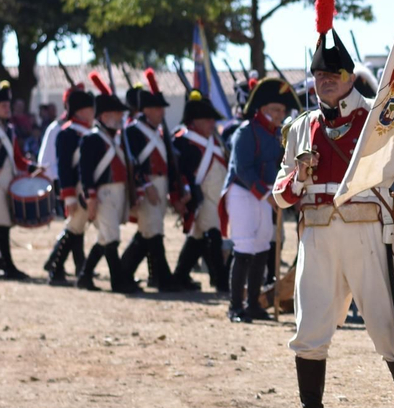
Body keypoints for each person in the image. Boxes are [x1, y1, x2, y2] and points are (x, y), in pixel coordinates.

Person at [272, 0, 394, 408]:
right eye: (319, 75)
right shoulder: (301, 128)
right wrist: (298, 178)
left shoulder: (377, 119)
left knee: (387, 326)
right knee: (309, 327)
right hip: (317, 235)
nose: (325, 81)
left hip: (369, 231)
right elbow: (280, 193)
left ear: (350, 77)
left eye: (334, 74)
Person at [225, 77, 294, 322]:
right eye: (275, 109)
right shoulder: (246, 132)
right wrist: (266, 194)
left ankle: (253, 304)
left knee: (263, 247)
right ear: (262, 109)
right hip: (244, 193)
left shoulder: (277, 135)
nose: (280, 114)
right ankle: (235, 306)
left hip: (265, 194)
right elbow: (242, 169)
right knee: (244, 248)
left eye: (282, 110)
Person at [75, 75, 136, 294]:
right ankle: (118, 282)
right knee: (112, 238)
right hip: (102, 194)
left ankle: (84, 276)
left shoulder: (118, 139)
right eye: (116, 113)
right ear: (104, 116)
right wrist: (90, 197)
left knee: (104, 237)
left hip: (119, 192)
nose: (121, 117)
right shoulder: (91, 139)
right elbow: (86, 172)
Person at [115, 72, 176, 291]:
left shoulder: (157, 131)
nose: (162, 113)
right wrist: (146, 186)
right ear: (147, 110)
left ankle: (124, 273)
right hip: (147, 186)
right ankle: (164, 280)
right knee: (152, 233)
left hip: (160, 184)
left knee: (148, 233)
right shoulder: (133, 131)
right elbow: (131, 163)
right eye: (158, 109)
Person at [172, 90, 229, 292]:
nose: (212, 123)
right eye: (207, 119)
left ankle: (179, 276)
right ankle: (221, 280)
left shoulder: (215, 140)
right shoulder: (183, 141)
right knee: (213, 235)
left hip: (217, 197)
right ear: (195, 121)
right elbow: (178, 172)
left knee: (197, 237)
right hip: (201, 197)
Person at [43, 83, 97, 286]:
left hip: (85, 189)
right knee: (74, 228)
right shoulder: (68, 133)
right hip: (76, 191)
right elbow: (64, 168)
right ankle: (57, 268)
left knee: (76, 229)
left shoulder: (88, 132)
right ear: (81, 111)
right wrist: (70, 197)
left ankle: (60, 267)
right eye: (90, 109)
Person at [0, 73, 30, 279]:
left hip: (8, 183)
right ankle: (8, 267)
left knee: (1, 226)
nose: (7, 108)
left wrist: (32, 168)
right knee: (2, 225)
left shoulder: (10, 130)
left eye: (8, 105)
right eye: (3, 105)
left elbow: (18, 159)